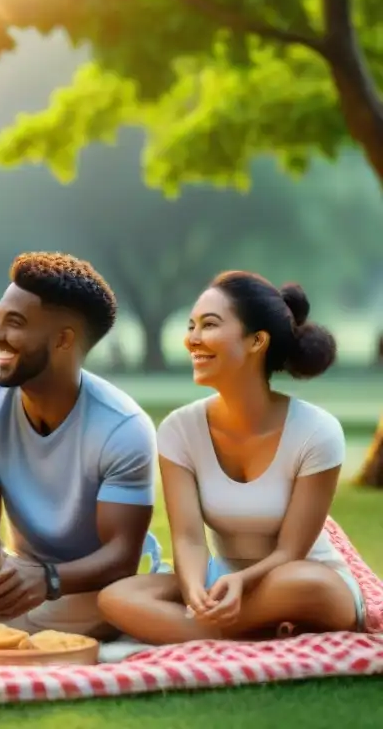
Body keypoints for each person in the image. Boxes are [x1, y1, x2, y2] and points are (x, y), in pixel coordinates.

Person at [97, 272, 365, 643]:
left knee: (308, 583)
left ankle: (199, 631)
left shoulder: (317, 431)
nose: (192, 338)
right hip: (219, 577)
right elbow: (189, 538)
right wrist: (195, 592)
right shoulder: (179, 429)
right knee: (116, 597)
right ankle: (239, 629)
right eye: (191, 325)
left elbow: (291, 550)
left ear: (257, 341)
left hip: (298, 575)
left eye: (209, 325)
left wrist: (242, 581)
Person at [0, 252, 159, 639]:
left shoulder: (123, 428)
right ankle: (4, 620)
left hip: (86, 590)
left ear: (63, 339)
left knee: (113, 602)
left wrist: (47, 580)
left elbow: (121, 558)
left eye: (14, 323)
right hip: (21, 574)